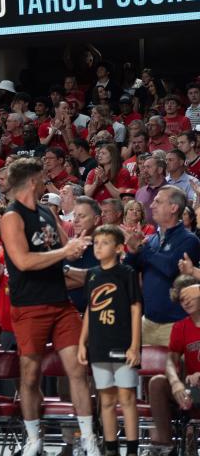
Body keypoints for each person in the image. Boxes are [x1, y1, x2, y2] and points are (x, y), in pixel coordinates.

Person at [0, 158, 97, 456]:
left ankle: (88, 439)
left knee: (78, 370)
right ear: (32, 181)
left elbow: (64, 245)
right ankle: (33, 438)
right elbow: (24, 261)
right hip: (29, 305)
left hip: (60, 302)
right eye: (42, 178)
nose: (46, 182)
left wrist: (73, 246)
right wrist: (65, 251)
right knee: (29, 376)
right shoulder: (12, 216)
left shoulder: (44, 211)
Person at [77, 225, 142, 456]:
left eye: (104, 243)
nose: (99, 247)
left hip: (123, 343)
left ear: (118, 248)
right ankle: (111, 448)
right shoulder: (92, 274)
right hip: (98, 344)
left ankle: (132, 449)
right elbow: (89, 309)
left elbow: (135, 309)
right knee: (105, 399)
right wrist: (82, 343)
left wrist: (135, 346)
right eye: (96, 243)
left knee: (126, 398)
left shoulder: (127, 273)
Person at [127, 186, 200, 345]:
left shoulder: (189, 240)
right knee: (142, 369)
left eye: (158, 202)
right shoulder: (151, 239)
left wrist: (142, 249)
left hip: (176, 324)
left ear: (173, 208)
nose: (152, 205)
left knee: (174, 369)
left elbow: (170, 268)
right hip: (148, 321)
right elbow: (129, 271)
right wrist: (132, 251)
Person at [146, 274, 200, 454]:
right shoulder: (180, 327)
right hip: (193, 390)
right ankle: (165, 446)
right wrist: (176, 382)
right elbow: (171, 360)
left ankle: (191, 435)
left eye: (189, 297)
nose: (185, 302)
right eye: (181, 299)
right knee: (157, 382)